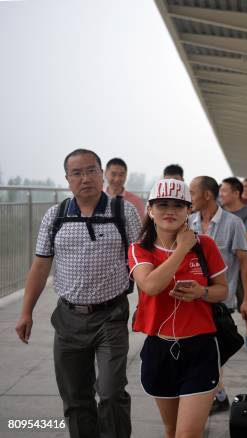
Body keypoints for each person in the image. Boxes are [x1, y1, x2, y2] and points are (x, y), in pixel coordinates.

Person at [16, 149, 141, 438]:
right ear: (67, 180)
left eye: (91, 170)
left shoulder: (124, 212)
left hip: (111, 315)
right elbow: (40, 264)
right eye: (77, 173)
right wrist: (26, 312)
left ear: (102, 174)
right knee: (75, 397)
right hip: (69, 318)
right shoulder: (56, 215)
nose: (85, 178)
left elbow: (141, 263)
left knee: (110, 392)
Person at [129, 178, 228, 438]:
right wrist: (183, 248)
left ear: (189, 210)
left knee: (187, 434)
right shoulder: (140, 249)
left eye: (178, 205)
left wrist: (202, 292)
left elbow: (222, 290)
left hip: (200, 349)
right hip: (159, 350)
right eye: (162, 205)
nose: (170, 211)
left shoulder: (206, 245)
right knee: (171, 430)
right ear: (150, 210)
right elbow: (150, 286)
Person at [189, 175, 247, 413]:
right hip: (195, 300)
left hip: (221, 302)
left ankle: (218, 395)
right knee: (207, 351)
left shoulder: (233, 223)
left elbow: (245, 263)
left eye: (192, 192)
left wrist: (246, 299)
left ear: (207, 195)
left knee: (212, 349)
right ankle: (217, 393)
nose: (189, 198)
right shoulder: (189, 223)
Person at [220, 177, 247, 353]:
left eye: (225, 190)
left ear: (236, 193)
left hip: (245, 265)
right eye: (220, 190)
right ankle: (223, 334)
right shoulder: (218, 213)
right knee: (222, 304)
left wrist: (229, 238)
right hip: (224, 267)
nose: (221, 194)